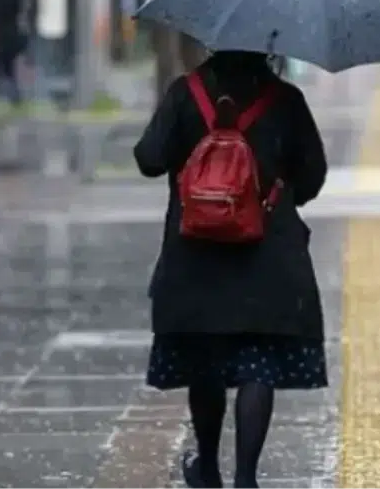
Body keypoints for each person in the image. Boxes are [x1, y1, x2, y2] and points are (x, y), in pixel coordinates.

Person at [133, 50, 328, 489]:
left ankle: (208, 468)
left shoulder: (186, 94)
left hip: (195, 256)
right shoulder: (286, 100)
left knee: (206, 362)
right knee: (257, 365)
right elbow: (313, 178)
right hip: (267, 258)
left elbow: (148, 158)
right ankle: (245, 478)